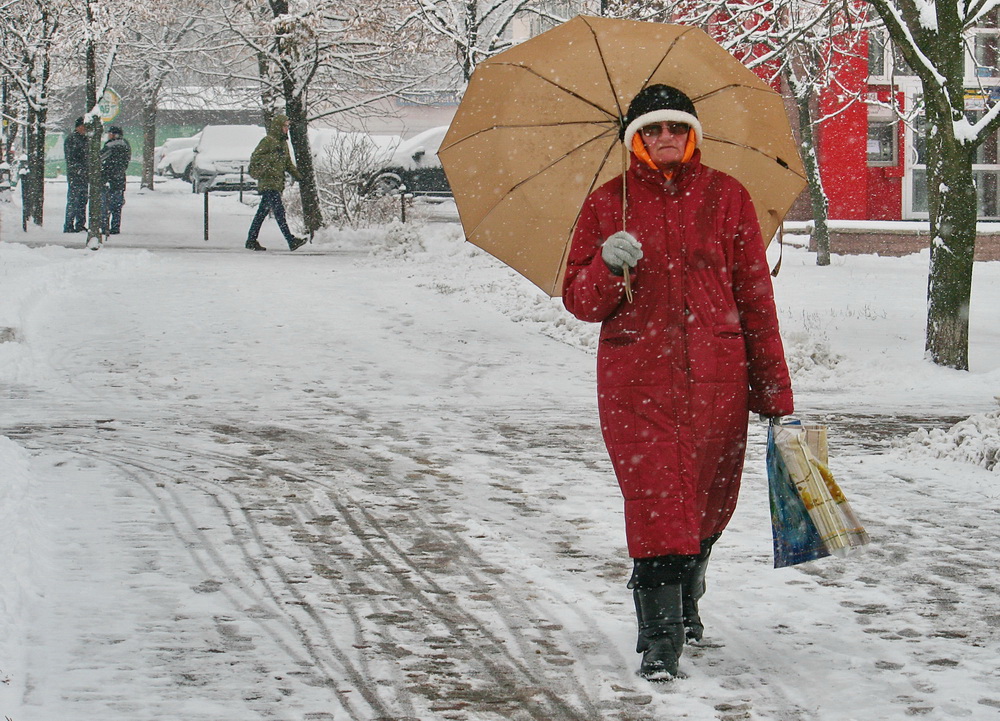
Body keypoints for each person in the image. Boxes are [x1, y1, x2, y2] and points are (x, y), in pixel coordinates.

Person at [562, 85, 794, 681]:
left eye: (675, 128)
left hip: (719, 379)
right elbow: (580, 301)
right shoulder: (607, 206)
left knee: (708, 502)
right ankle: (659, 636)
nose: (664, 139)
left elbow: (755, 299)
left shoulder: (727, 197)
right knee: (656, 501)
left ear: (691, 134)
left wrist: (773, 391)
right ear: (633, 140)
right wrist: (607, 268)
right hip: (636, 381)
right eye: (650, 130)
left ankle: (688, 589)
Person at [245, 114, 306, 252]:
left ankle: (251, 240)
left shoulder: (282, 143)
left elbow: (287, 163)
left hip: (276, 183)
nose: (287, 129)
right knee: (279, 212)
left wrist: (298, 176)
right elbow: (256, 158)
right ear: (279, 127)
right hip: (268, 183)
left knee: (262, 213)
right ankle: (290, 240)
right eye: (285, 126)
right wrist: (272, 156)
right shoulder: (268, 141)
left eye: (287, 126)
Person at [99, 126, 132, 236]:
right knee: (117, 207)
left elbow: (100, 158)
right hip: (120, 180)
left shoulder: (110, 146)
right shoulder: (126, 145)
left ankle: (104, 227)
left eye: (110, 133)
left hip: (108, 179)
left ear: (114, 134)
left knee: (105, 205)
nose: (108, 135)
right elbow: (126, 161)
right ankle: (115, 227)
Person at [63, 117, 89, 233]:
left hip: (81, 175)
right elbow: (71, 159)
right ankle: (69, 224)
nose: (85, 129)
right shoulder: (72, 140)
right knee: (74, 200)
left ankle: (79, 224)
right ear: (78, 127)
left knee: (82, 200)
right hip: (76, 175)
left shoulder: (85, 139)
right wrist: (79, 169)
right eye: (83, 127)